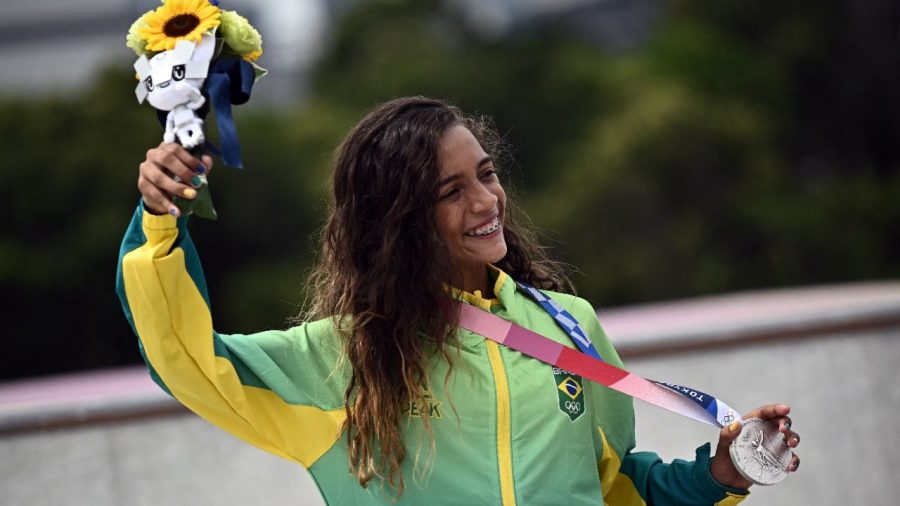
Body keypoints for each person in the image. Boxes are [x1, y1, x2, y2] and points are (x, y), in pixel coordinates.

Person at [117, 96, 800, 505]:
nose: (485, 202)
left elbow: (617, 488)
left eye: (487, 174)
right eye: (450, 192)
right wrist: (159, 219)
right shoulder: (342, 357)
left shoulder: (571, 326)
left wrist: (727, 468)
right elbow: (186, 358)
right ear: (397, 219)